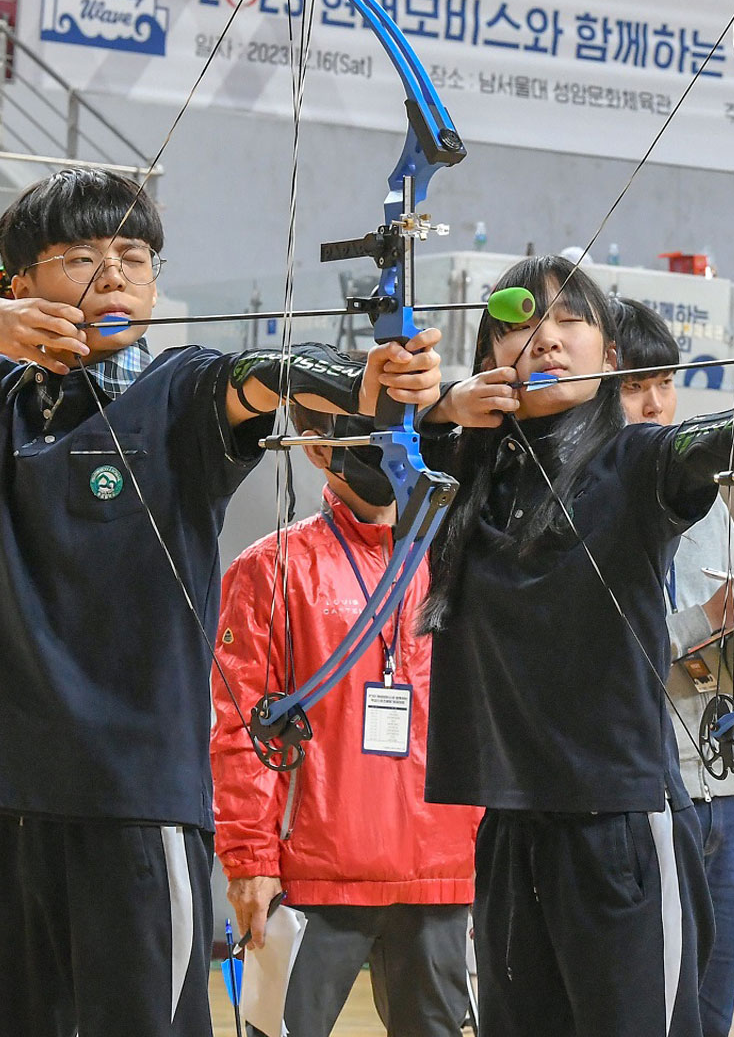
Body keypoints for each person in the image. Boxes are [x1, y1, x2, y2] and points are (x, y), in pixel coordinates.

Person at [0, 166, 442, 1037]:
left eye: (135, 257)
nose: (114, 275)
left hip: (136, 803)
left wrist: (364, 382)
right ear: (20, 282)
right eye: (79, 256)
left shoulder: (181, 392)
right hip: (2, 799)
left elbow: (266, 373)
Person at [415, 255, 734, 1037]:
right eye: (520, 321)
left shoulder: (636, 460)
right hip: (513, 823)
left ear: (609, 359)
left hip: (621, 823)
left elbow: (714, 440)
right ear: (489, 352)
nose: (546, 339)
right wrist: (443, 407)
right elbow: (355, 444)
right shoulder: (465, 473)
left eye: (571, 321)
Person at [211, 401, 482, 1037]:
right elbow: (243, 728)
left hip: (441, 869)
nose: (387, 452)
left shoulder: (459, 565)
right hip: (313, 874)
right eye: (364, 436)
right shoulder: (272, 566)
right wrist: (250, 860)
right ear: (315, 449)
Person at [612, 298, 734, 1037]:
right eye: (635, 385)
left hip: (718, 796)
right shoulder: (584, 510)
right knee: (649, 1010)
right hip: (639, 800)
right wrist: (707, 619)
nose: (657, 403)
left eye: (666, 382)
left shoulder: (714, 509)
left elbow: (726, 667)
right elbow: (597, 657)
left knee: (712, 1017)